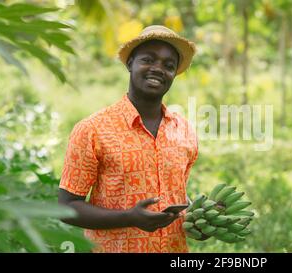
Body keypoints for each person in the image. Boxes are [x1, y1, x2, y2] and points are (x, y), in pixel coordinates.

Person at [58, 25, 198, 253]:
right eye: (148, 60)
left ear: (174, 74)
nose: (158, 69)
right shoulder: (93, 129)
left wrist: (193, 218)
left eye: (168, 65)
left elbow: (175, 191)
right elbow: (67, 207)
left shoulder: (184, 130)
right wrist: (129, 217)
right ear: (130, 63)